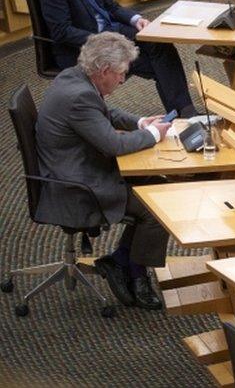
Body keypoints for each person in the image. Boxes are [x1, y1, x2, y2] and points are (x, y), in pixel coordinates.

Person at [35, 32, 172, 310]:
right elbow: (112, 145)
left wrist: (142, 122)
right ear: (105, 70)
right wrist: (154, 136)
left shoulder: (74, 77)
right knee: (158, 208)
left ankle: (121, 260)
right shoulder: (79, 97)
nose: (123, 80)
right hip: (77, 187)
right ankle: (134, 271)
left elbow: (105, 114)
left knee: (157, 183)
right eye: (121, 73)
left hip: (74, 167)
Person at [39, 0, 197, 117]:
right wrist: (105, 40)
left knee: (159, 43)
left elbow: (110, 6)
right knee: (158, 64)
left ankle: (184, 112)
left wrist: (136, 19)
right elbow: (62, 32)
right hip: (84, 47)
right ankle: (185, 114)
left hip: (110, 33)